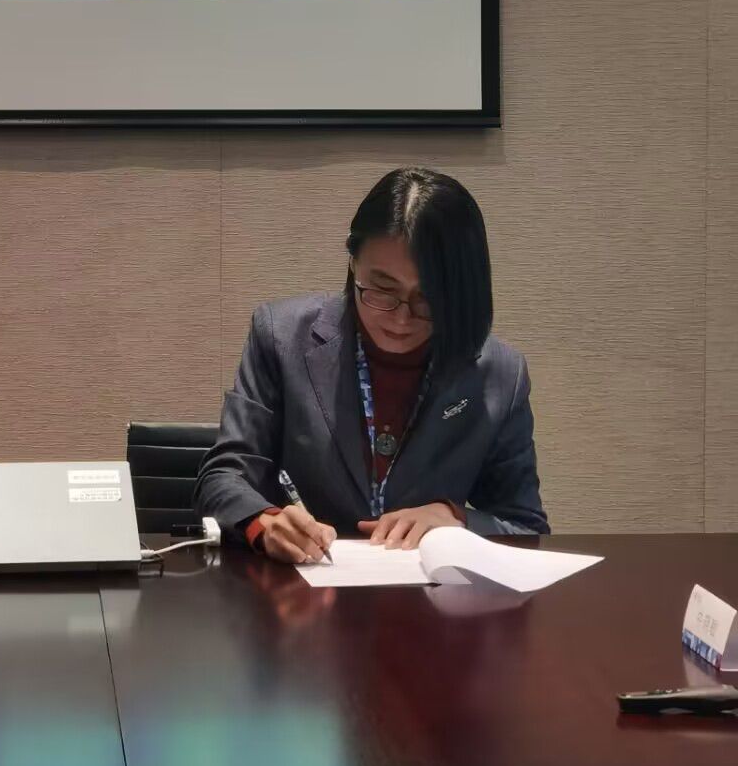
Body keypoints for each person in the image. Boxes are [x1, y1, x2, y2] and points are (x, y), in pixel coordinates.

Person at [196, 167, 547, 563]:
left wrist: (456, 520)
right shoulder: (281, 336)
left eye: (428, 299)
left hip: (429, 595)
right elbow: (223, 477)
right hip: (301, 585)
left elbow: (525, 526)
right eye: (382, 290)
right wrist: (263, 522)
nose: (401, 318)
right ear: (352, 262)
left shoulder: (500, 374)